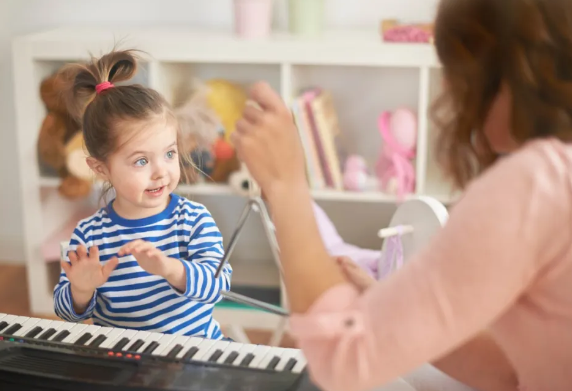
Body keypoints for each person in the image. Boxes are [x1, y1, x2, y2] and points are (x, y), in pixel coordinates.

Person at [231, 0, 572, 389]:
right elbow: (513, 373)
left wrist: (285, 185)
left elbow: (344, 361)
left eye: (454, 68)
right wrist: (394, 307)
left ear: (499, 71)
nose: (448, 89)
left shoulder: (531, 185)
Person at [52, 49, 232, 340]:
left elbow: (218, 286)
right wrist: (80, 290)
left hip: (193, 355)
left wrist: (170, 269)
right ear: (101, 168)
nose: (161, 172)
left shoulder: (193, 219)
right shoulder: (89, 234)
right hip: (121, 361)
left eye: (169, 153)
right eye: (141, 161)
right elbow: (66, 312)